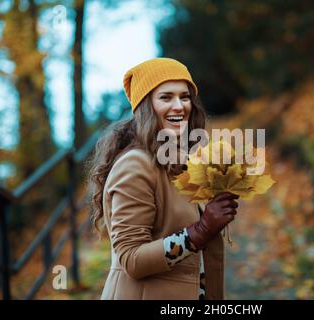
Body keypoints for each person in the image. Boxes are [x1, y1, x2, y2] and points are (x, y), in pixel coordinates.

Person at [87, 57, 239, 300]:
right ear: (146, 107)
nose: (179, 106)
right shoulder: (135, 165)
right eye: (166, 97)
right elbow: (131, 259)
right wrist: (200, 230)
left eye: (185, 96)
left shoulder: (181, 160)